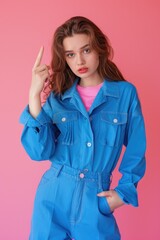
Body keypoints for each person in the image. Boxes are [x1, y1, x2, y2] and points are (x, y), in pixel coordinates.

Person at [19, 16, 146, 240]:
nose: (79, 61)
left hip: (95, 198)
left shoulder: (125, 94)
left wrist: (123, 192)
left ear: (99, 48)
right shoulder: (59, 97)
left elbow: (137, 147)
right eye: (70, 54)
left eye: (86, 50)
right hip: (53, 195)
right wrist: (34, 95)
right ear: (64, 58)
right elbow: (39, 152)